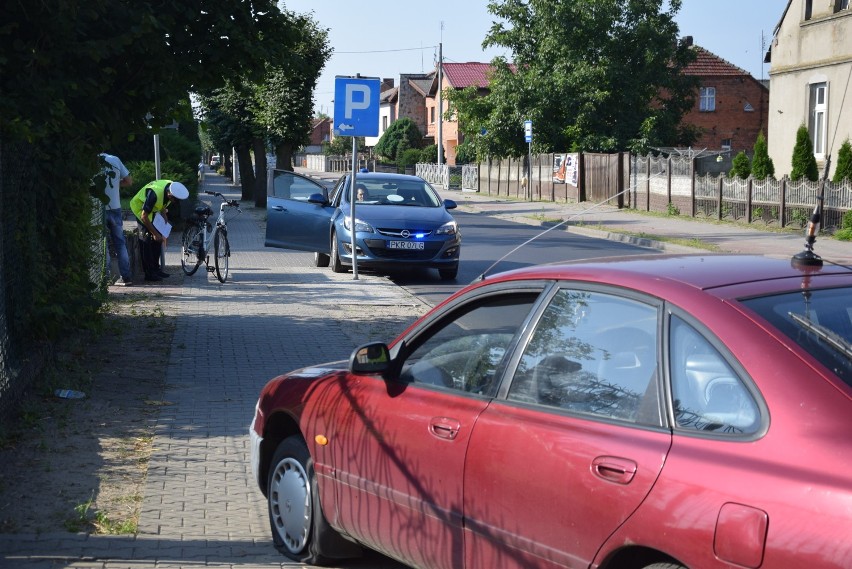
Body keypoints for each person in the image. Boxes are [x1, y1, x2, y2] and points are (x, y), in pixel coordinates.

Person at [129, 179, 189, 282]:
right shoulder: (154, 194)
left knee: (158, 241)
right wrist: (155, 233)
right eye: (175, 200)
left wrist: (164, 214)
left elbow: (163, 203)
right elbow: (144, 216)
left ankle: (156, 269)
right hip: (140, 210)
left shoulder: (171, 188)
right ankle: (149, 274)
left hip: (152, 212)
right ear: (170, 195)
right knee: (147, 241)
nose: (175, 202)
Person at [98, 153, 134, 286]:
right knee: (120, 243)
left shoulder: (92, 160)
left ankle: (105, 277)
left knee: (103, 243)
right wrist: (114, 183)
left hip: (99, 209)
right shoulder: (114, 159)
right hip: (115, 207)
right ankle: (126, 277)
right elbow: (129, 181)